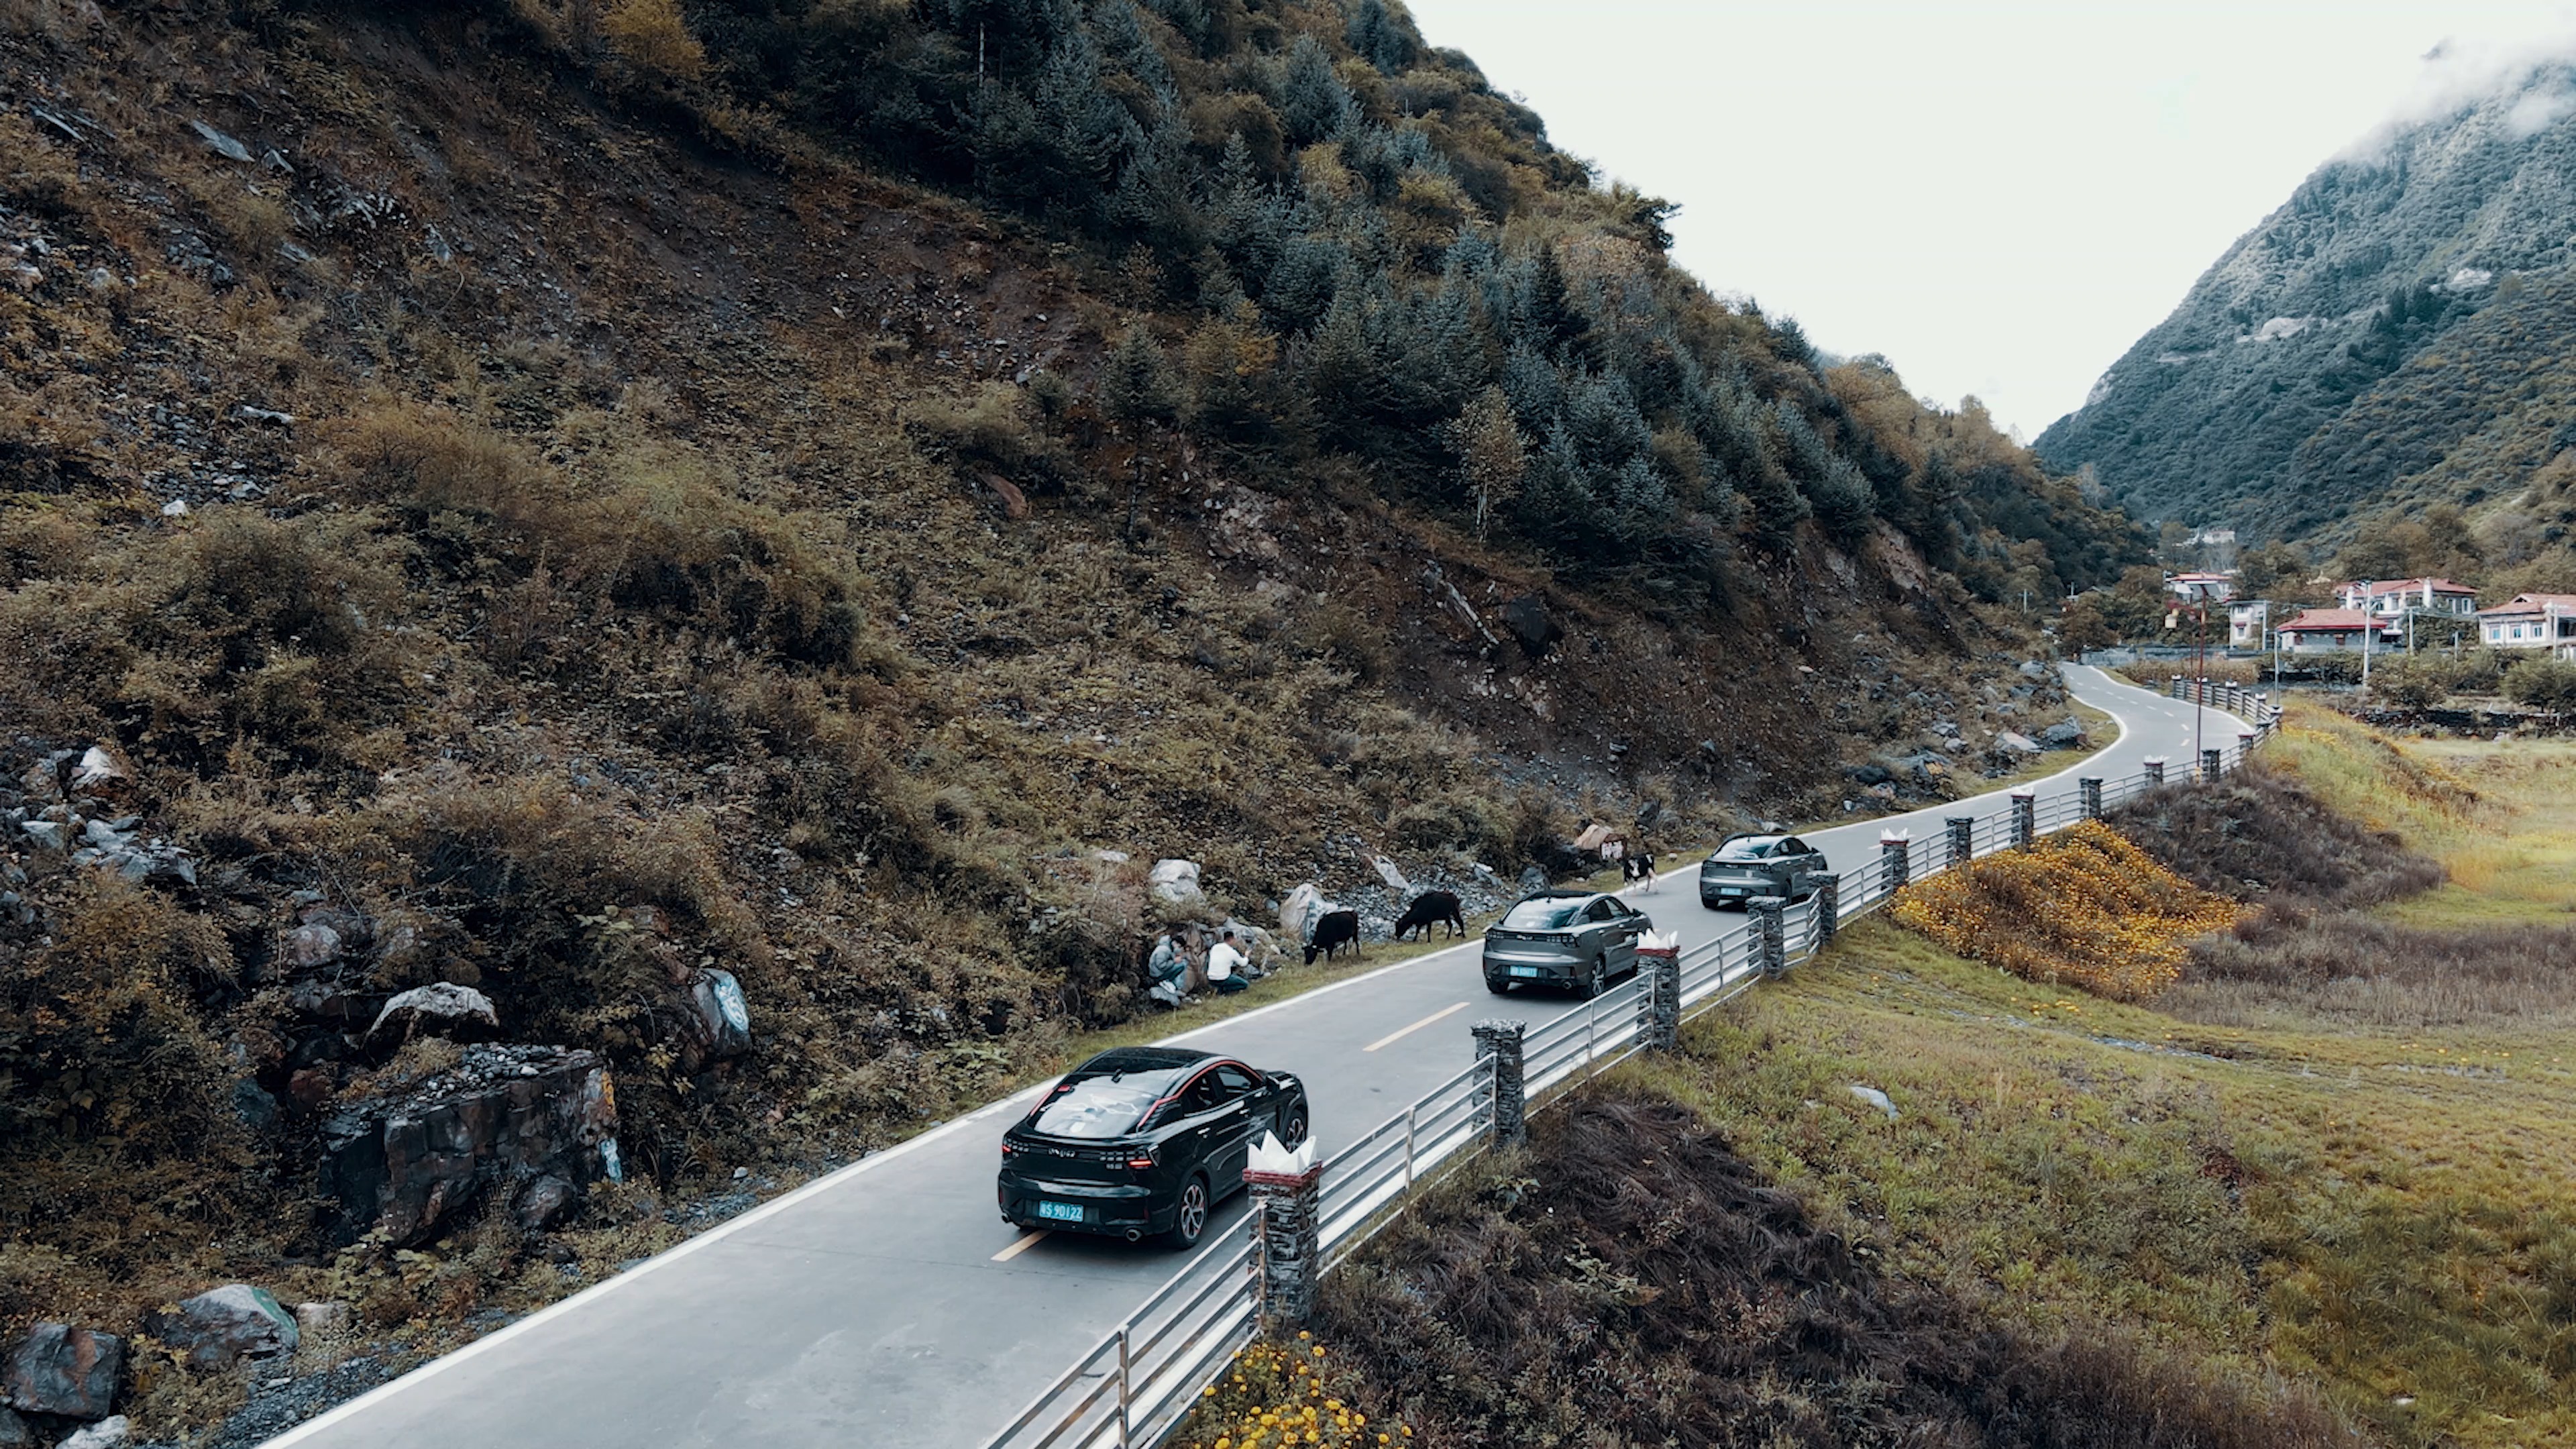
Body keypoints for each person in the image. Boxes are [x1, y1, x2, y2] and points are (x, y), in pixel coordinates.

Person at [1146, 931, 1189, 1008]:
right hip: (1157, 975)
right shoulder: (1164, 950)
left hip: (1159, 972)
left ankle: (1174, 986)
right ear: (1175, 943)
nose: (1178, 948)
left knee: (1182, 963)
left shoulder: (1167, 948)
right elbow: (1161, 966)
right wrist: (1174, 961)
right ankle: (1178, 987)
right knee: (1183, 965)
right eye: (1179, 946)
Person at [1205, 928, 1249, 994]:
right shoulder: (1232, 951)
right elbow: (1243, 963)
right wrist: (1246, 956)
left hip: (1211, 979)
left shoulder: (1215, 947)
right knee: (1245, 984)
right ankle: (1225, 990)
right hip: (1223, 979)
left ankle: (1219, 989)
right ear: (1231, 939)